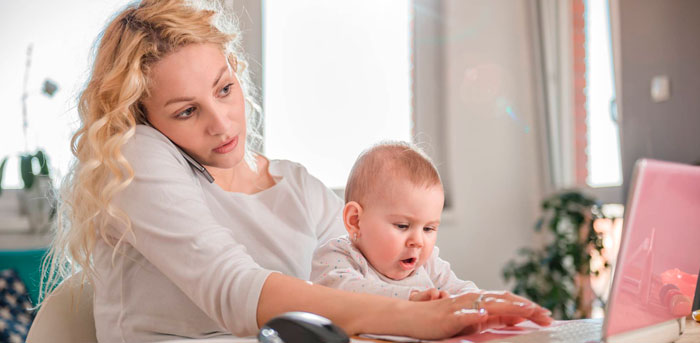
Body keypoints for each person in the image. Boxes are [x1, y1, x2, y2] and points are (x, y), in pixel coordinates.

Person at [40, 0, 552, 341]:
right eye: (186, 111)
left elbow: (358, 282)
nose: (222, 124)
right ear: (142, 115)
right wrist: (421, 317)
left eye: (224, 89)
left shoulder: (297, 185)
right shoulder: (133, 158)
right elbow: (235, 288)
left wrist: (464, 307)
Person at [311, 142, 479, 301]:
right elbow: (342, 294)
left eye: (428, 229)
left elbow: (461, 290)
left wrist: (482, 300)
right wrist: (410, 298)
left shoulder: (429, 264)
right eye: (402, 226)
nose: (418, 241)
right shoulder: (338, 256)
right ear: (355, 221)